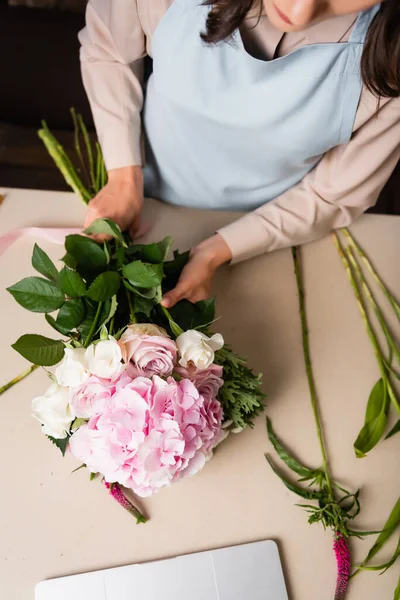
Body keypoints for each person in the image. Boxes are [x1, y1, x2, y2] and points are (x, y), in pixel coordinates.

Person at [80, 0, 400, 307]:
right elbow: (110, 50)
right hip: (140, 200)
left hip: (275, 232)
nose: (298, 10)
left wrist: (215, 252)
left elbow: (332, 195)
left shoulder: (392, 59)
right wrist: (124, 177)